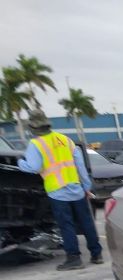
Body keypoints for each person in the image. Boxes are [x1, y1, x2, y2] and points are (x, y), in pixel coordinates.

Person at [17, 110, 103, 270]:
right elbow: (81, 166)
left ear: (32, 128)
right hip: (76, 190)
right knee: (86, 223)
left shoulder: (36, 144)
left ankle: (74, 259)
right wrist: (86, 187)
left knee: (66, 225)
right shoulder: (65, 140)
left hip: (57, 192)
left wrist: (20, 163)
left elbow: (34, 167)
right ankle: (96, 254)